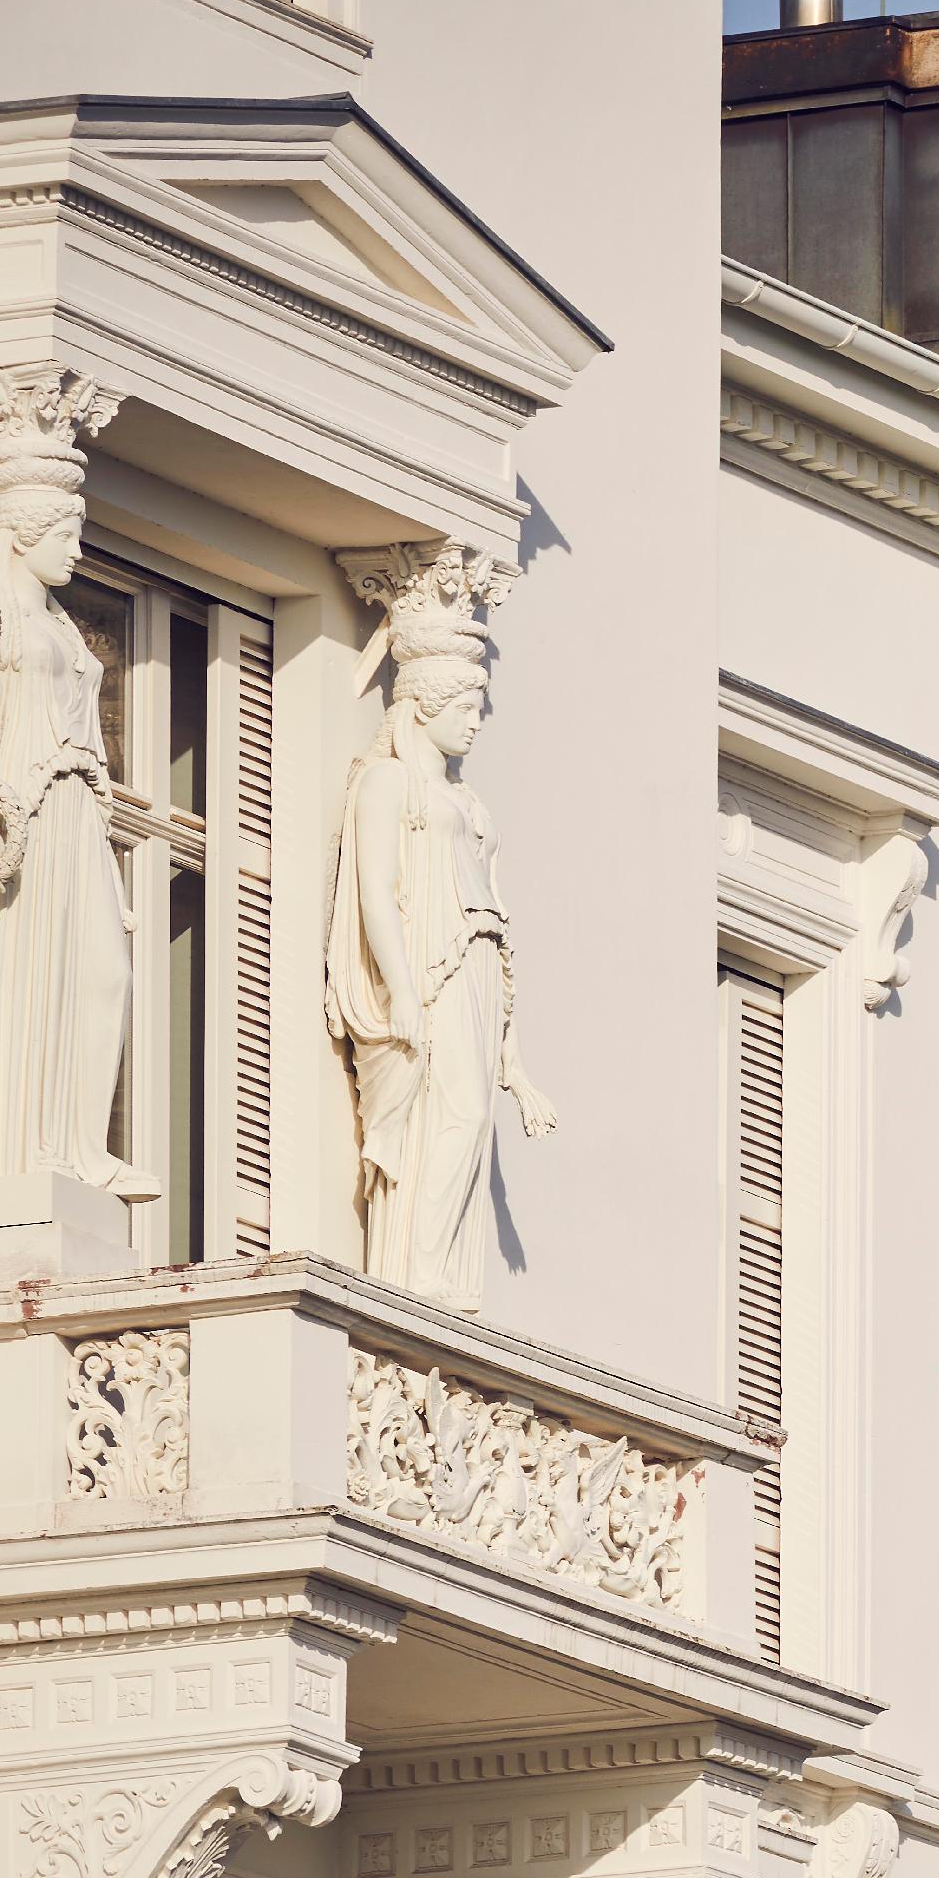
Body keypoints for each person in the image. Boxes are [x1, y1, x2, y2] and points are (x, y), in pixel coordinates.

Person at [326, 550, 553, 1311]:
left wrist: (515, 1065)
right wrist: (399, 990)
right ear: (422, 702)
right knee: (449, 1112)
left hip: (477, 967)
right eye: (466, 707)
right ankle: (415, 1272)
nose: (477, 720)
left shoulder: (475, 807)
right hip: (428, 972)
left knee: (474, 1112)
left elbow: (500, 926)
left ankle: (448, 1279)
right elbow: (377, 898)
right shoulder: (387, 785)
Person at [0, 373, 130, 1188]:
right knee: (32, 980)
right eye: (66, 533)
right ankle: (30, 1148)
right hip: (22, 816)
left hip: (77, 813)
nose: (77, 549)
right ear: (22, 532)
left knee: (103, 970)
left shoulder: (67, 630)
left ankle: (81, 1146)